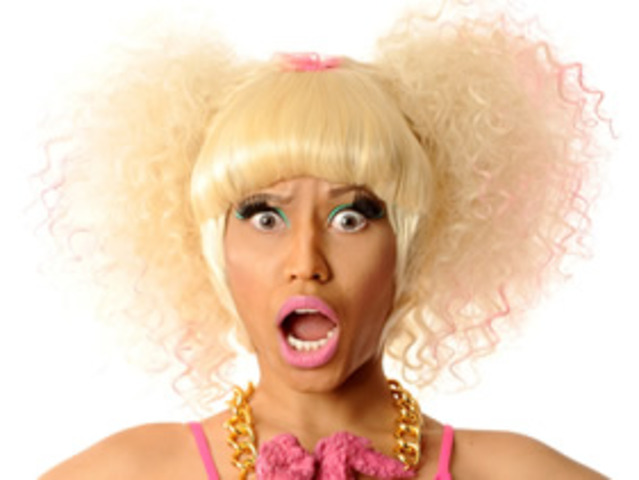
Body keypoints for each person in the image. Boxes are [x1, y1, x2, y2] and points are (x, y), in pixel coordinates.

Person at [38, 5, 609, 480]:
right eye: (266, 218)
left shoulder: (517, 472)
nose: (306, 262)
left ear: (409, 245)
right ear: (214, 247)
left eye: (350, 218)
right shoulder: (126, 472)